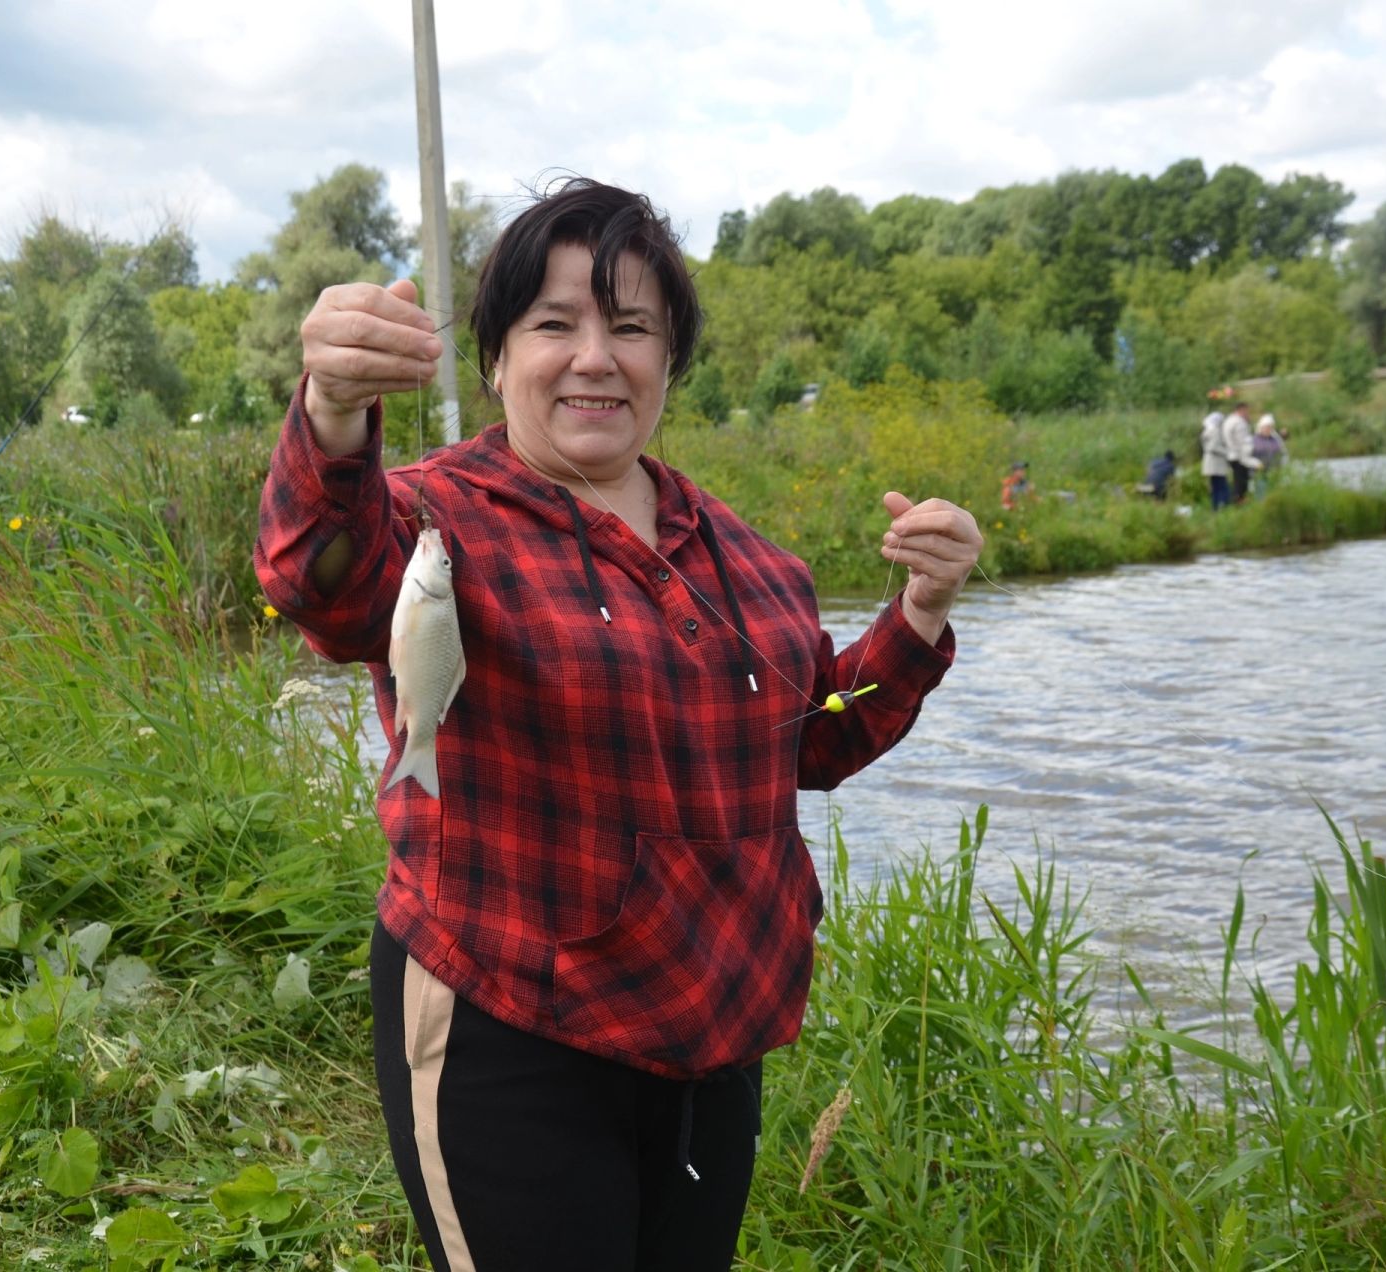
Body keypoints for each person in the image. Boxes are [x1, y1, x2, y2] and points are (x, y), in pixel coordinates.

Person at [255, 179, 981, 1272]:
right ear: (497, 359)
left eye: (631, 327)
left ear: (668, 363)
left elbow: (813, 740)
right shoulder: (429, 519)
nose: (595, 356)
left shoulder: (748, 558)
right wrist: (331, 414)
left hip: (713, 1036)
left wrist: (917, 617)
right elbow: (322, 578)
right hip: (509, 1027)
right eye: (555, 324)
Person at [1221, 401, 1260, 505]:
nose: (1248, 413)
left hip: (1231, 454)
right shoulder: (1239, 422)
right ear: (1241, 410)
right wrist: (1249, 456)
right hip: (1239, 456)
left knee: (1237, 479)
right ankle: (1239, 501)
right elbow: (1243, 441)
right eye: (1247, 410)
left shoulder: (1228, 420)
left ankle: (1237, 499)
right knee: (1241, 481)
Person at [1199, 397, 1231, 509]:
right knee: (1221, 486)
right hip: (1216, 463)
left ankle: (1215, 508)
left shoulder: (1207, 430)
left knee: (1215, 486)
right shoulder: (1215, 430)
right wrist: (1227, 452)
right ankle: (1223, 507)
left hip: (1210, 463)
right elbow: (1214, 447)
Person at [1250, 414, 1286, 496]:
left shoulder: (1275, 440)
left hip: (1274, 471)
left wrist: (1281, 464)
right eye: (1266, 427)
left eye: (1270, 427)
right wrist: (1256, 464)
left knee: (1274, 493)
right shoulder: (1254, 440)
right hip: (1259, 472)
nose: (1268, 429)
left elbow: (1282, 453)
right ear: (1261, 427)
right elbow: (1248, 456)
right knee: (1261, 493)